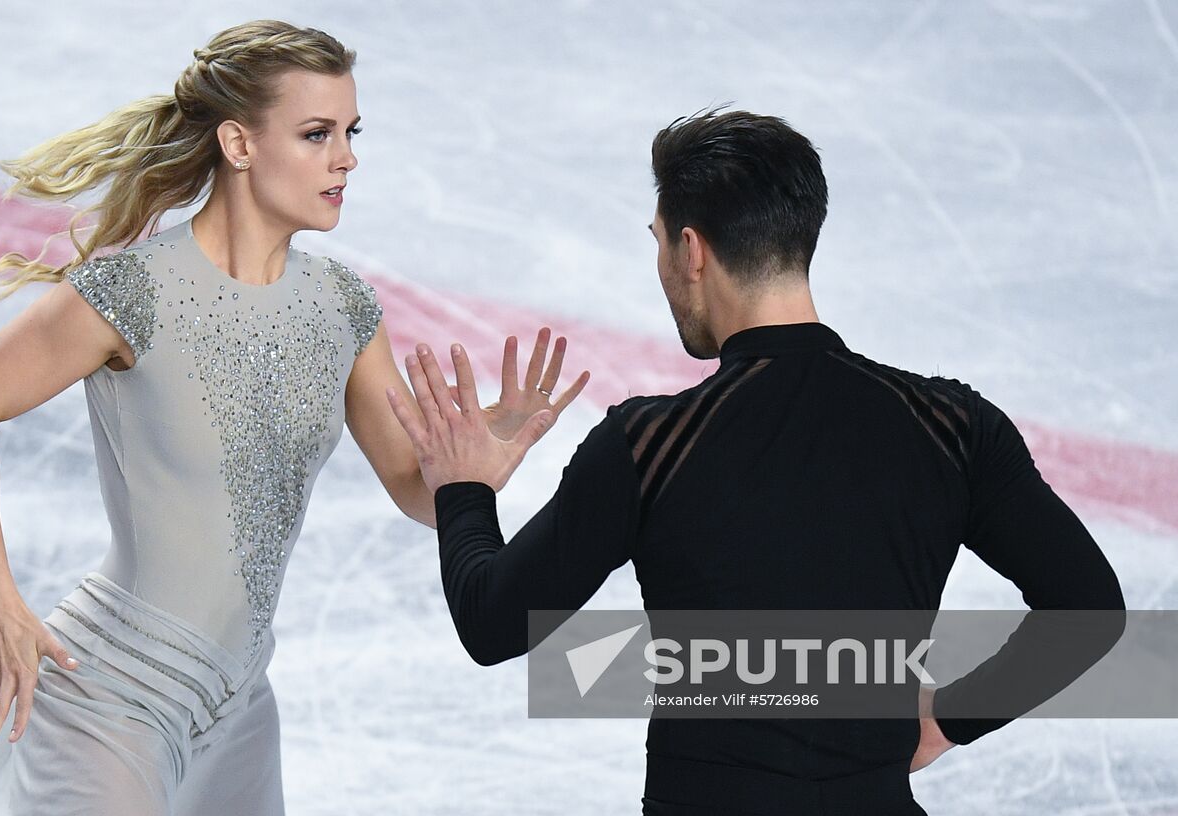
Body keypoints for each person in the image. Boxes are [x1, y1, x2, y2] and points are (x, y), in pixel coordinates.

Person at [0, 19, 589, 816]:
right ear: (239, 145)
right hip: (110, 702)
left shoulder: (344, 308)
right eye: (316, 134)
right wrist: (0, 604)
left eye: (350, 132)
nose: (346, 158)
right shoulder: (132, 291)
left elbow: (415, 489)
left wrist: (472, 458)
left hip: (241, 708)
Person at [385, 107, 1126, 815]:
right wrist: (953, 717)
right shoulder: (954, 427)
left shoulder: (648, 445)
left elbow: (492, 624)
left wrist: (465, 487)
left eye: (658, 242)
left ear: (691, 251)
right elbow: (1088, 609)